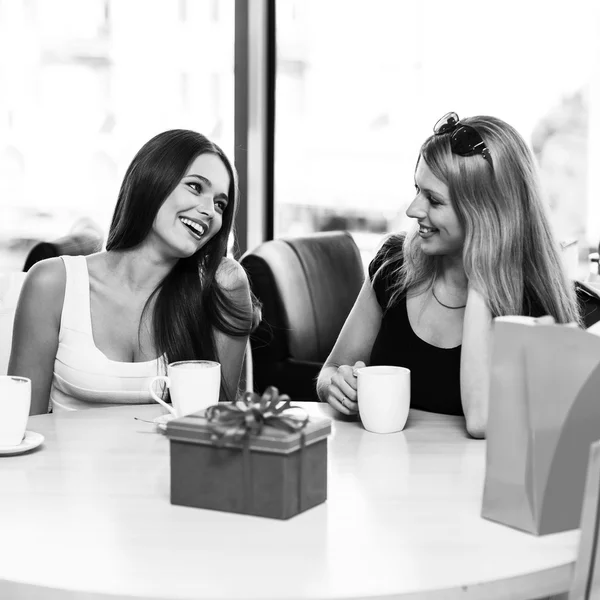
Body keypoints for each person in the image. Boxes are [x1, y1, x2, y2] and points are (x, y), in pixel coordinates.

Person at [316, 112, 581, 438]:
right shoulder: (394, 262)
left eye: (434, 200)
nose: (413, 210)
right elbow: (330, 371)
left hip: (476, 487)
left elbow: (481, 422)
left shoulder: (535, 305)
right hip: (387, 479)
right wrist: (335, 385)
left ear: (485, 213)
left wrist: (482, 267)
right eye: (418, 189)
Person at [9, 129, 257, 415]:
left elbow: (221, 423)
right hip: (65, 461)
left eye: (220, 204)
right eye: (195, 187)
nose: (209, 211)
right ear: (152, 180)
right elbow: (24, 428)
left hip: (173, 461)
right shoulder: (52, 284)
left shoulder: (221, 287)